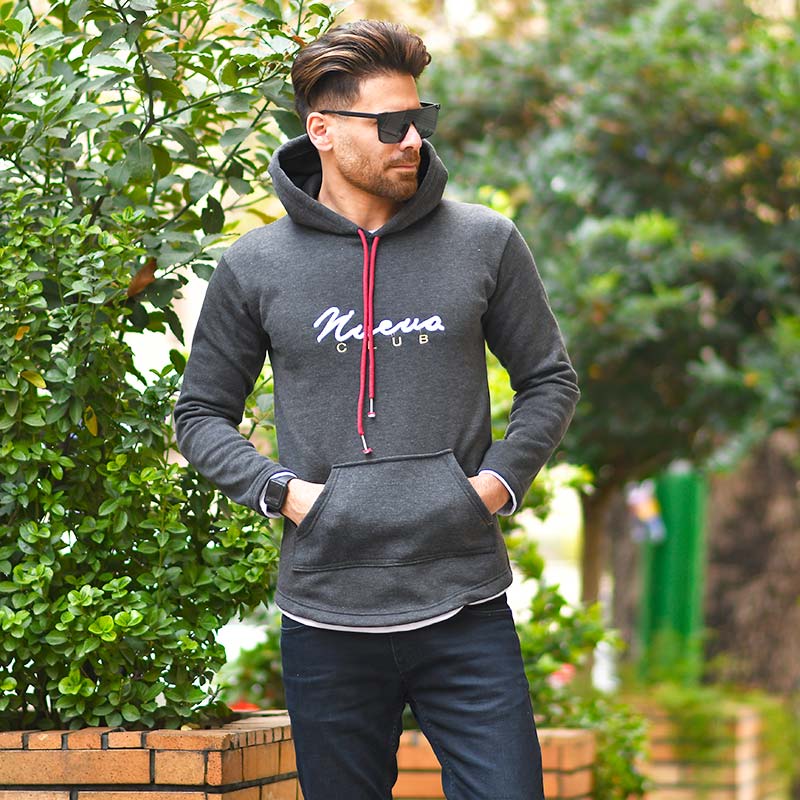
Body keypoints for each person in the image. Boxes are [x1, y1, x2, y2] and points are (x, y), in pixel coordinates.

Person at [174, 19, 579, 800]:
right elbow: (200, 414)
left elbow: (548, 380)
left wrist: (491, 486)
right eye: (391, 124)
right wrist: (284, 494)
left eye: (420, 120)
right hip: (326, 611)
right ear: (322, 130)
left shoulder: (485, 242)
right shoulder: (255, 265)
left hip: (464, 601)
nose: (413, 140)